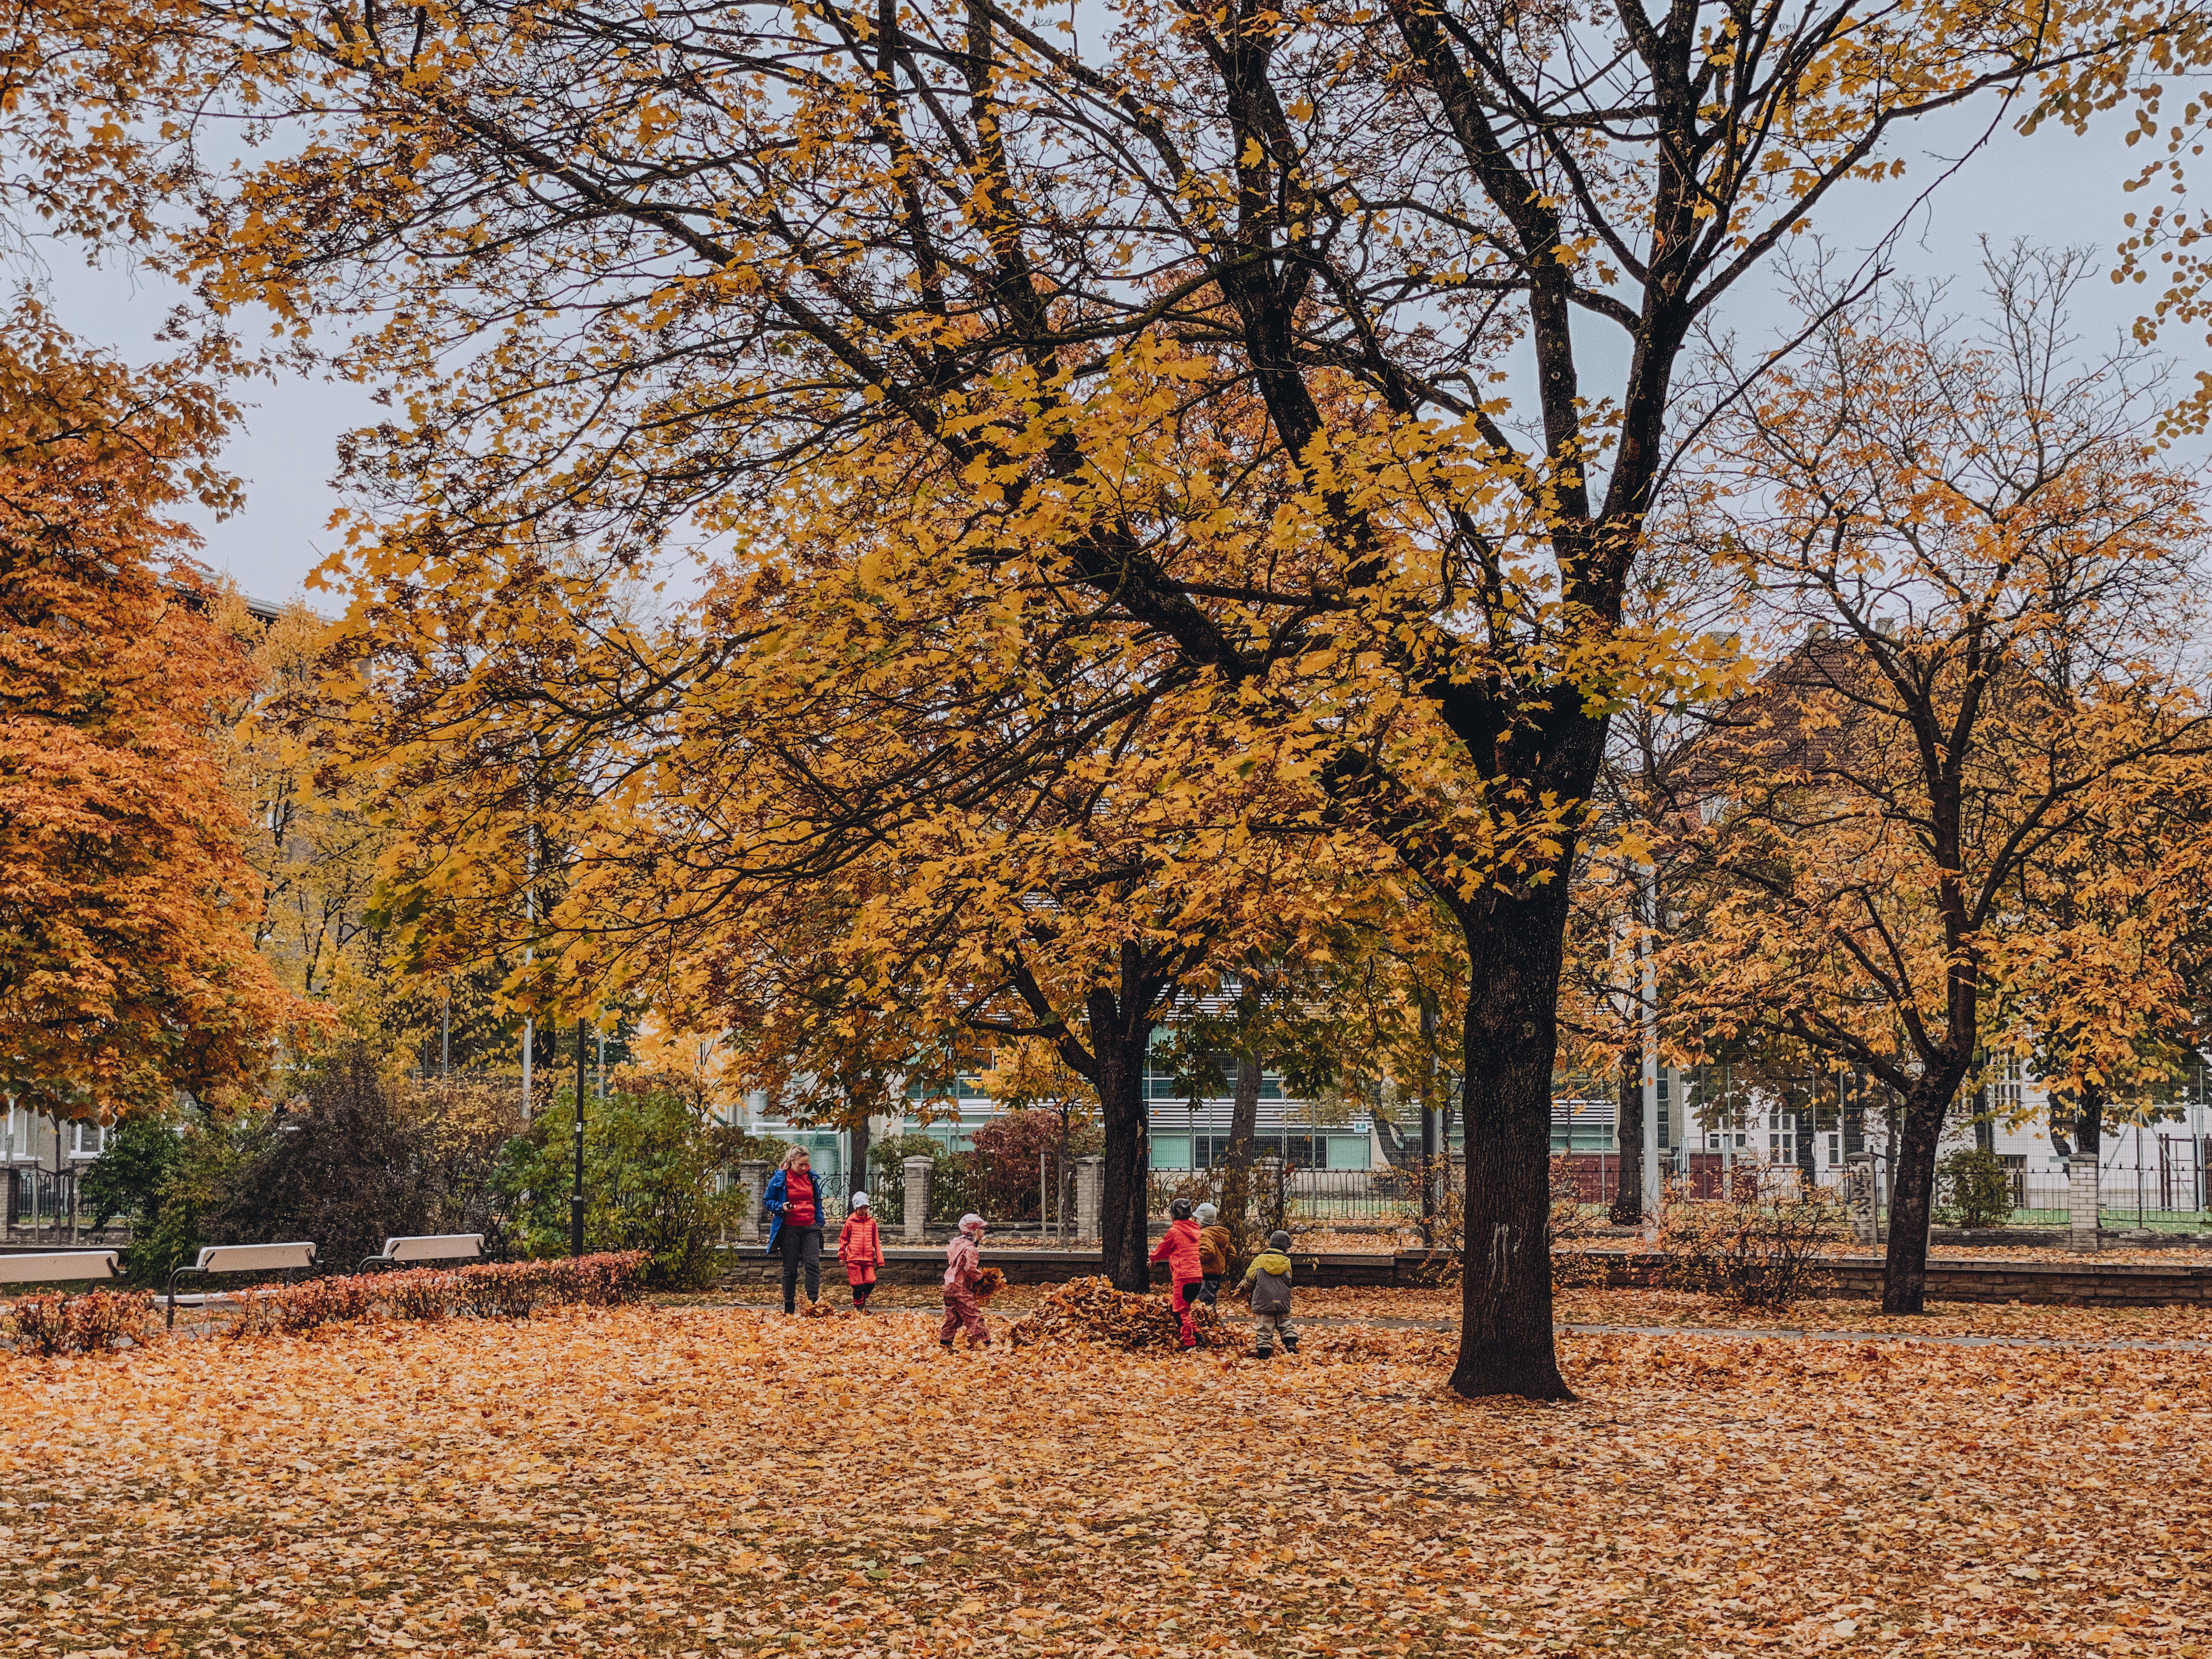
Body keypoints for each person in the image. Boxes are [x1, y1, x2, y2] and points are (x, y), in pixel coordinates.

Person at [764, 1147, 825, 1315]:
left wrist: (819, 1221)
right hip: (789, 1228)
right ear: (792, 1161)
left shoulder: (811, 1178)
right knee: (790, 1269)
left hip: (811, 1227)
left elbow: (818, 1200)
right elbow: (768, 1200)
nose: (804, 1168)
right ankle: (789, 1307)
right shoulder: (780, 1178)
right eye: (801, 1165)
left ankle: (814, 1304)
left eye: (807, 1164)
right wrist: (781, 1207)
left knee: (813, 1265)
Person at [1149, 1196, 1205, 1350]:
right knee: (1182, 1309)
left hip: (1183, 1277)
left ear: (1173, 1215)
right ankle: (1198, 1336)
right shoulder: (1195, 1230)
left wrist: (1153, 1257)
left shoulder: (1174, 1231)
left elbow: (1164, 1248)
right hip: (1197, 1278)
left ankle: (1190, 1343)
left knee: (1180, 1312)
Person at [1236, 1229, 1299, 1358]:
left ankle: (1264, 1351)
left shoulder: (1260, 1260)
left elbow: (1250, 1278)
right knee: (1285, 1322)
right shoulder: (1286, 1262)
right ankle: (1290, 1342)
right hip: (1282, 1300)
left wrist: (1246, 1289)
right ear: (1285, 1248)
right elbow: (1289, 1280)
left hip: (1263, 1300)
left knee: (1264, 1326)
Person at [940, 1211, 992, 1350]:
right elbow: (970, 1269)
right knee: (973, 1314)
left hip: (949, 1285)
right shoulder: (971, 1249)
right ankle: (986, 1343)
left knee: (953, 1316)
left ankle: (946, 1342)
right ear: (974, 1231)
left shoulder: (957, 1244)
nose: (984, 1233)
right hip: (961, 1287)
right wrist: (981, 1280)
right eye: (982, 1229)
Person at [838, 1190, 885, 1313]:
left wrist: (880, 1259)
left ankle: (862, 1299)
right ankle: (858, 1307)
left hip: (868, 1258)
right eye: (861, 1208)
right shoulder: (850, 1223)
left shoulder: (872, 1223)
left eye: (865, 1208)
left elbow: (876, 1242)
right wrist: (841, 1256)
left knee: (871, 1282)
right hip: (854, 1258)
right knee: (857, 1284)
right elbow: (844, 1240)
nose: (863, 1211)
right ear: (856, 1208)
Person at [1195, 1202, 1232, 1307]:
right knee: (1211, 1302)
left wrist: (1195, 1258)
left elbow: (1208, 1252)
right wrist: (1221, 1265)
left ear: (1201, 1220)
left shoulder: (1204, 1234)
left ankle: (1209, 1318)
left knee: (1203, 1305)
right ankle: (1213, 1317)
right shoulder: (1218, 1234)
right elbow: (1232, 1252)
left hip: (1206, 1276)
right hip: (1216, 1276)